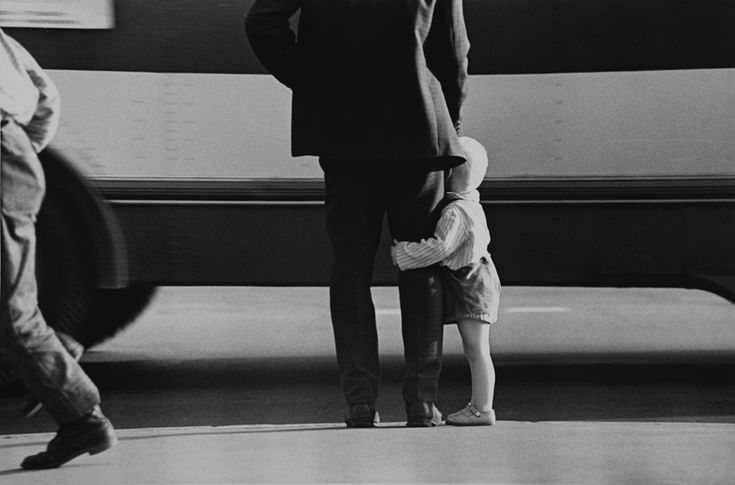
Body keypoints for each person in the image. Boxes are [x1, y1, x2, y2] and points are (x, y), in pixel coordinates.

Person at [245, 0, 470, 427]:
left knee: (350, 265)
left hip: (343, 131)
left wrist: (312, 81)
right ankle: (421, 402)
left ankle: (360, 402)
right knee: (420, 259)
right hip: (417, 128)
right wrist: (451, 118)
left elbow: (261, 22)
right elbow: (453, 49)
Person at [0, 28, 117, 469]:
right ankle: (56, 351)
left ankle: (82, 417)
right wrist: (21, 151)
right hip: (10, 152)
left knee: (11, 315)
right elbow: (44, 93)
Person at [392, 136, 501, 425]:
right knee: (477, 350)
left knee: (476, 349)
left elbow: (439, 247)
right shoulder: (472, 204)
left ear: (449, 173)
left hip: (470, 284)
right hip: (479, 279)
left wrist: (404, 252)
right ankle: (481, 406)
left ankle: (482, 408)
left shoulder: (455, 212)